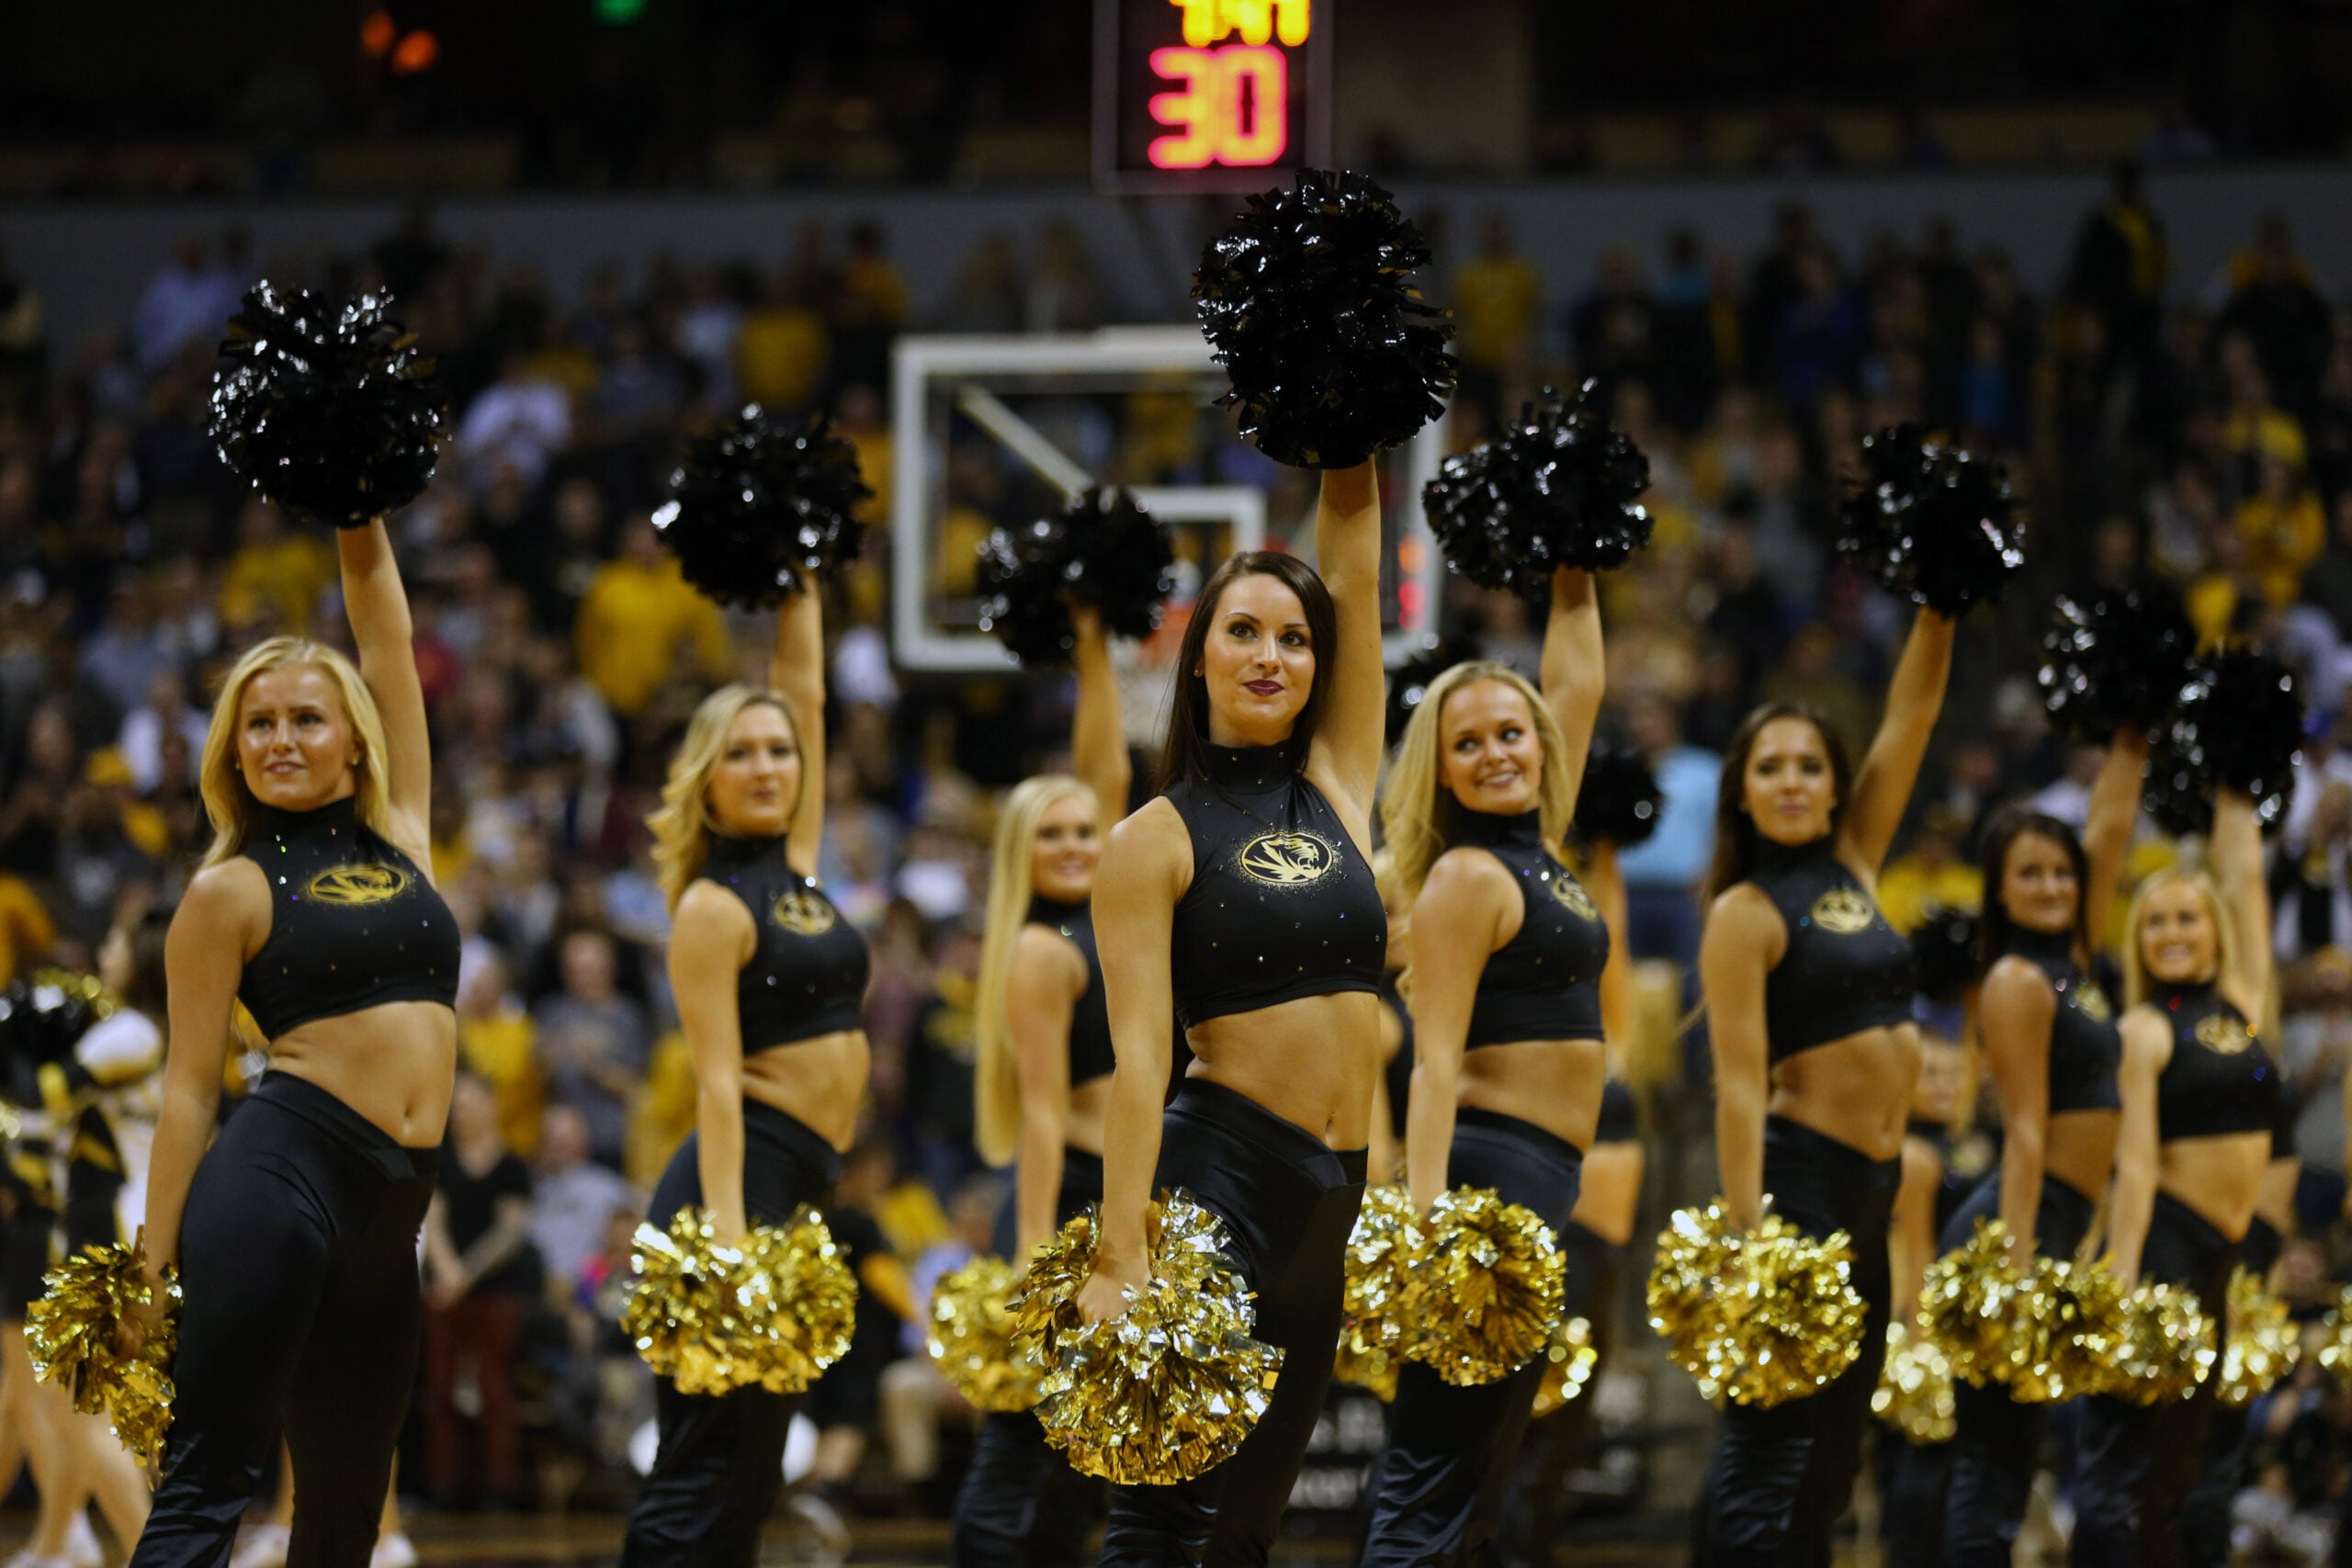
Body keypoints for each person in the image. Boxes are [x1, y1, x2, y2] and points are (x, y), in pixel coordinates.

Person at [125, 512, 457, 1568]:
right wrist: (149, 1270)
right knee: (209, 1482)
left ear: (356, 738)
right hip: (282, 1174)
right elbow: (187, 1093)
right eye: (256, 724)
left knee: (348, 1514)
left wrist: (355, 502)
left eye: (306, 719)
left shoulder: (405, 830)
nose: (278, 740)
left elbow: (388, 640)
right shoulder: (224, 891)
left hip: (393, 1205)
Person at [1075, 465, 1386, 1566]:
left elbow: (1352, 558)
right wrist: (1119, 1253)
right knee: (1165, 1509)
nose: (1270, 655)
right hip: (1225, 1181)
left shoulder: (1344, 782)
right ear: (1196, 650)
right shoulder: (1151, 837)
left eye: (1294, 638)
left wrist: (1349, 441)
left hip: (1333, 1199)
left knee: (1251, 1520)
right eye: (1244, 631)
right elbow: (1140, 1059)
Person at [1690, 605, 1956, 1566]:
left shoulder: (1853, 865)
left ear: (1836, 785)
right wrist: (1744, 1240)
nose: (1793, 782)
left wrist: (1938, 600)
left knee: (1834, 1460)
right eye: (1770, 768)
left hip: (1872, 1200)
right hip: (1798, 1197)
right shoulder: (1744, 912)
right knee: (1771, 1455)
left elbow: (1913, 716)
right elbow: (1734, 1087)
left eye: (1808, 765)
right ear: (1742, 795)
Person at [1357, 564, 1609, 1568]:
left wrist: (1573, 566)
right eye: (1468, 744)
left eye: (1510, 733)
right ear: (1443, 772)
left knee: (1482, 1464)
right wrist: (1424, 1228)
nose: (1495, 752)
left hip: (1543, 1181)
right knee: (1436, 1464)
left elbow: (1579, 682)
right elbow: (1433, 1062)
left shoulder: (1542, 850)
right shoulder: (1466, 876)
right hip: (1486, 1182)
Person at [623, 581, 870, 1568]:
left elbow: (803, 688)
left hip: (794, 1193)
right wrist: (726, 1246)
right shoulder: (711, 909)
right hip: (735, 1193)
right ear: (706, 781)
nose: (767, 765)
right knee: (701, 1466)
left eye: (779, 751)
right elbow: (716, 1086)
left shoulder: (799, 870)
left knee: (750, 1473)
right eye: (741, 752)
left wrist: (803, 573)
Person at [1933, 739, 2144, 1565]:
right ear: (2000, 889)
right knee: (1992, 1466)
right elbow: (2024, 1129)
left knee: (2016, 1459)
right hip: (2015, 1229)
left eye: (2061, 872)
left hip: (2056, 1221)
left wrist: (2131, 734)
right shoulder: (2017, 978)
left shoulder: (2077, 960)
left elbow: (2114, 828)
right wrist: (2016, 1271)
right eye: (2030, 873)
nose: (2052, 885)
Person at [951, 602, 1130, 1567]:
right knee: (1022, 1435)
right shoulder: (1037, 951)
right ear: (1025, 853)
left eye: (1083, 832)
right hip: (1065, 1206)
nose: (1074, 844)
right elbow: (1042, 1113)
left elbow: (1105, 774)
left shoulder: (1107, 917)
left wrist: (1095, 642)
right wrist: (1032, 1255)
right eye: (1052, 836)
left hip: (1119, 1202)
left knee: (1083, 1439)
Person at [2075, 785, 2280, 1568]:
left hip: (2216, 1262)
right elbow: (2136, 1165)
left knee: (2174, 1476)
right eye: (2154, 921)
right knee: (2124, 1472)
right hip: (2162, 1249)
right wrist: (2123, 1281)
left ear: (2213, 931)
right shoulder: (2142, 1027)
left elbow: (2247, 884)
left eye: (2186, 917)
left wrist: (2234, 781)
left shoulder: (2238, 1004)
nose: (2171, 932)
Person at [1487, 840, 1645, 1568]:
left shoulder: (1606, 1035)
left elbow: (1606, 937)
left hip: (1604, 1252)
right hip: (1550, 1234)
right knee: (1521, 1428)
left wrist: (1604, 851)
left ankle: (1531, 1549)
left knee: (1560, 1439)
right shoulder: (1519, 1031)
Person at [422, 1072, 537, 1511]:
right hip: (446, 1293)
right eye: (457, 1105)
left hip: (497, 1293)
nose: (461, 1111)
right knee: (442, 1390)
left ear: (491, 1106)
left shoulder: (512, 1165)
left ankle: (497, 1489)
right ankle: (444, 1489)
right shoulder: (442, 1160)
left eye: (470, 1102)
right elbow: (434, 1220)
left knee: (493, 1390)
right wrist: (448, 1273)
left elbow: (510, 1233)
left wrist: (465, 1274)